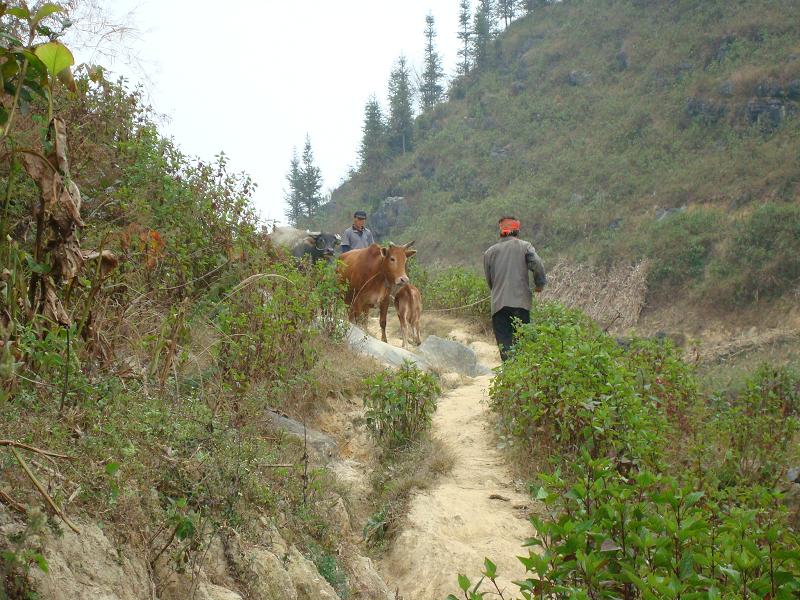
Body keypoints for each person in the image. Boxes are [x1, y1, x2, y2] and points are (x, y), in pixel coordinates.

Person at [483, 216, 546, 362]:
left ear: (501, 231)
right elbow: (537, 263)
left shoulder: (489, 253)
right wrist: (539, 284)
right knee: (522, 346)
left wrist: (498, 292)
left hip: (498, 307)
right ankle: (522, 381)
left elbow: (490, 281)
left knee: (505, 348)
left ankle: (510, 379)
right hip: (520, 304)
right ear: (517, 230)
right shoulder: (525, 246)